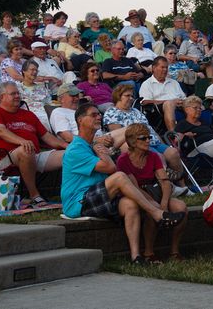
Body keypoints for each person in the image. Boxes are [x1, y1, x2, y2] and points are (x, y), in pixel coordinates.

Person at [62, 104, 185, 263]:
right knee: (119, 176)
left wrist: (98, 148)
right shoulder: (76, 149)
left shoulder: (89, 145)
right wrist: (102, 152)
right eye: (93, 115)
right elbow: (110, 167)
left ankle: (136, 257)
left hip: (97, 196)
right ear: (80, 120)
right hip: (78, 201)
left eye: (98, 114)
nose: (99, 117)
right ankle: (156, 214)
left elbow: (163, 181)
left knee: (129, 205)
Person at [0, 82, 67, 207]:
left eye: (18, 93)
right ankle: (34, 195)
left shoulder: (29, 115)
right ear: (1, 97)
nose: (17, 96)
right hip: (5, 158)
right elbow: (0, 131)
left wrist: (70, 146)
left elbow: (48, 138)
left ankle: (71, 193)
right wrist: (22, 141)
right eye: (13, 94)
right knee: (25, 150)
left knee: (70, 154)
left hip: (34, 155)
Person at [117, 123, 188, 263]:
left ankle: (174, 251)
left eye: (149, 137)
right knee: (152, 211)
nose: (148, 141)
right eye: (143, 138)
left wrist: (164, 204)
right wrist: (156, 206)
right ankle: (149, 253)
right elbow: (135, 188)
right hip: (135, 195)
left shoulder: (153, 156)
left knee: (182, 208)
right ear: (132, 141)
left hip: (154, 191)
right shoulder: (123, 160)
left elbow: (165, 181)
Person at [103, 84, 185, 189]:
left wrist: (163, 144)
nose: (131, 98)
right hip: (138, 144)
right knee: (159, 157)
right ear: (118, 96)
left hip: (153, 141)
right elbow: (116, 133)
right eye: (127, 96)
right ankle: (168, 187)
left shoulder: (136, 111)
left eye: (132, 96)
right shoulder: (112, 112)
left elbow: (150, 129)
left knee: (173, 153)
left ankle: (183, 186)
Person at [138, 57, 186, 132]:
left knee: (194, 101)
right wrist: (171, 102)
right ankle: (173, 136)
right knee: (169, 104)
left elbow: (184, 98)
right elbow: (144, 102)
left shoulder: (174, 82)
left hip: (181, 107)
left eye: (166, 67)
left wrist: (183, 102)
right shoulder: (147, 84)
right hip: (160, 111)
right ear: (154, 68)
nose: (165, 70)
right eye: (162, 67)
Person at [17, 60, 52, 130]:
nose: (35, 72)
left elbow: (49, 104)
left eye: (36, 70)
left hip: (45, 115)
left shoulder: (42, 88)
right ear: (24, 71)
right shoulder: (16, 89)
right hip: (27, 115)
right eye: (32, 70)